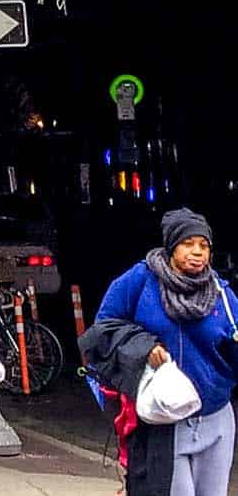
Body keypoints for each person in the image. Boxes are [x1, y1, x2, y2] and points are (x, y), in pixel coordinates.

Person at [90, 207, 237, 496]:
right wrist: (144, 346)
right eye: (188, 244)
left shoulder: (220, 292)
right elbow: (102, 329)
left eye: (204, 246)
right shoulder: (140, 280)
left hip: (216, 417)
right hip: (163, 422)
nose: (197, 252)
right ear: (171, 246)